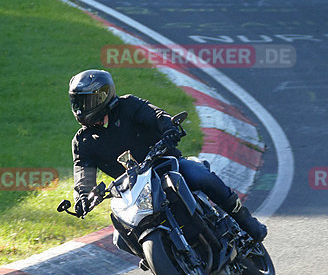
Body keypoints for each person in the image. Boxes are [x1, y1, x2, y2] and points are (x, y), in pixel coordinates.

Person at [67, 69, 267, 247]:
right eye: (77, 102)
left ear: (104, 95)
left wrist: (169, 128)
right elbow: (83, 173)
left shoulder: (128, 105)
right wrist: (83, 197)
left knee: (202, 177)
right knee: (121, 238)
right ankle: (164, 258)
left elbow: (156, 115)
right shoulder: (83, 142)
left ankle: (246, 221)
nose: (81, 108)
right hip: (134, 189)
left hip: (166, 165)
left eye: (86, 101)